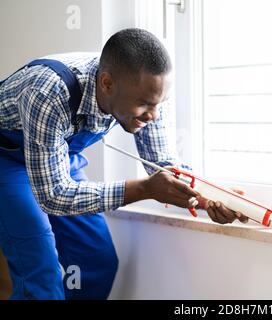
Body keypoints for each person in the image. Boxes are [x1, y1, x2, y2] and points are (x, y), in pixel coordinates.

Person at [0, 28, 247, 300]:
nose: (153, 115)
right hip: (7, 162)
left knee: (96, 261)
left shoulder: (144, 89)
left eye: (159, 104)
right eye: (144, 105)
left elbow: (162, 165)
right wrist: (144, 189)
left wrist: (209, 195)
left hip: (58, 157)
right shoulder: (48, 92)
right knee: (40, 273)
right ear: (106, 84)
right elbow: (53, 196)